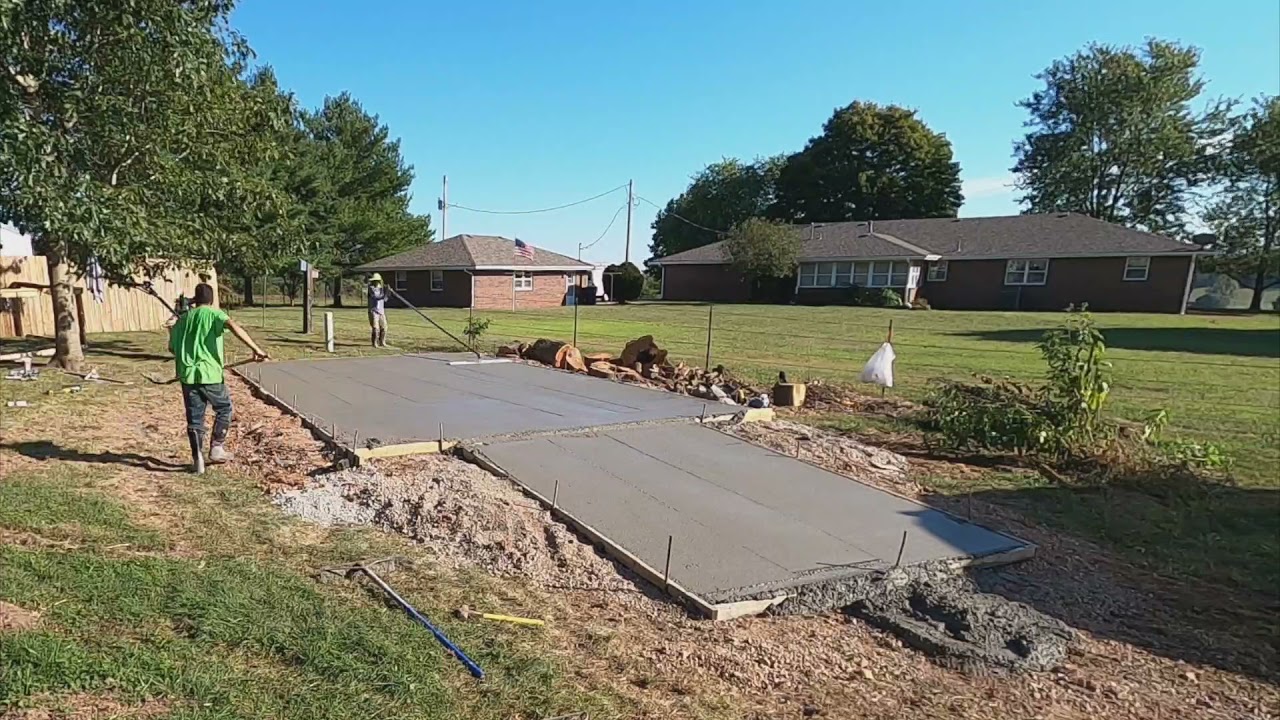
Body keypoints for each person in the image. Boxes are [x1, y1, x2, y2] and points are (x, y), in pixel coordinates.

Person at [169, 282, 269, 473]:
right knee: (224, 408)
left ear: (195, 300)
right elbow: (232, 325)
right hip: (210, 374)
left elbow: (171, 348)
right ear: (212, 299)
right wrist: (256, 349)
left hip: (188, 376)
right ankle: (216, 448)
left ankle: (196, 456)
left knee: (195, 418)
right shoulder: (215, 314)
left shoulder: (182, 320)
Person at [367, 273, 388, 348]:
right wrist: (385, 294)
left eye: (377, 281)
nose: (376, 282)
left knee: (384, 327)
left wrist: (388, 292)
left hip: (381, 311)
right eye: (374, 281)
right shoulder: (371, 288)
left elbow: (385, 299)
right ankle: (374, 343)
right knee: (376, 328)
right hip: (373, 311)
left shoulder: (381, 288)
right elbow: (376, 297)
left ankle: (382, 342)